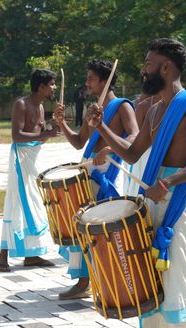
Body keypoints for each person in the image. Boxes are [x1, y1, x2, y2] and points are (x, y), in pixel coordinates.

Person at [87, 38, 186, 328]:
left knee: (175, 274)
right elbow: (131, 153)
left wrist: (171, 180)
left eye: (148, 63)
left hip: (179, 195)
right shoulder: (154, 109)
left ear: (166, 67)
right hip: (152, 193)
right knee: (147, 270)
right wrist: (101, 128)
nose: (143, 69)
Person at [52, 59, 138, 299]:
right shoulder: (94, 109)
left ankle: (107, 278)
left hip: (108, 173)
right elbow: (79, 142)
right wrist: (62, 124)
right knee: (83, 225)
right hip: (87, 171)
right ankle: (84, 280)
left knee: (102, 227)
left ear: (104, 80)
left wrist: (109, 150)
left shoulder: (123, 106)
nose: (87, 82)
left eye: (91, 78)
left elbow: (135, 136)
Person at [0, 69, 60, 271]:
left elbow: (38, 134)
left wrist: (51, 128)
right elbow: (16, 136)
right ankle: (3, 256)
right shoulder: (21, 104)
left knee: (34, 204)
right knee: (15, 202)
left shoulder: (40, 107)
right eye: (51, 84)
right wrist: (46, 132)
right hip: (20, 158)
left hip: (34, 158)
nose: (54, 88)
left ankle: (32, 255)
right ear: (41, 86)